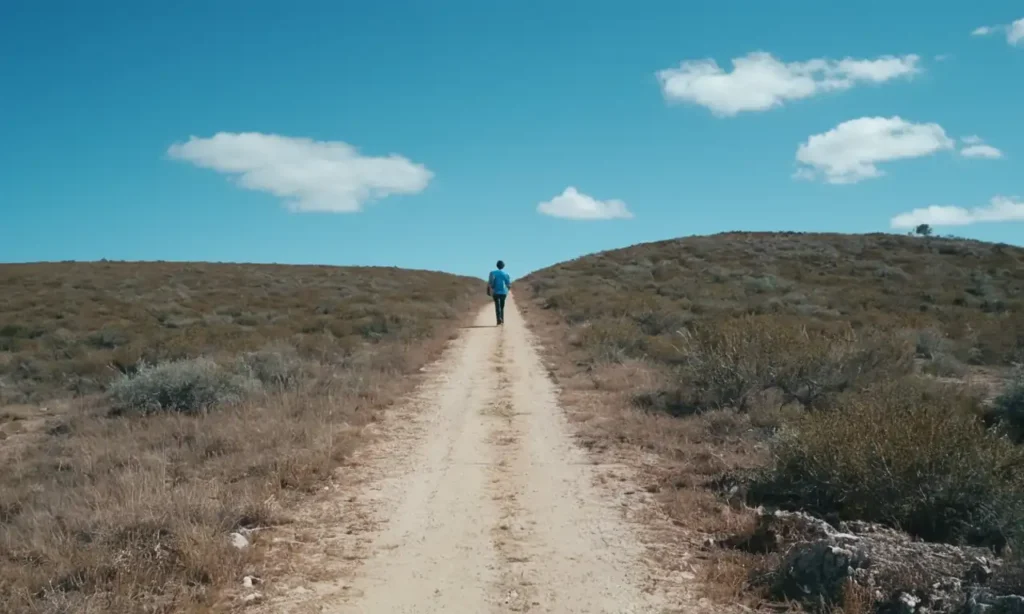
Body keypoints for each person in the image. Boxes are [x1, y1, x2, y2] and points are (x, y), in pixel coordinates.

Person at [487, 260, 511, 325]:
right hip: (503, 292)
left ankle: (498, 320)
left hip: (496, 292)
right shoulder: (506, 274)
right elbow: (508, 284)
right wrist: (507, 291)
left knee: (497, 306)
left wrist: (488, 290)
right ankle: (502, 319)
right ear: (503, 266)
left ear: (496, 265)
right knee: (502, 306)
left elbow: (490, 283)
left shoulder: (492, 273)